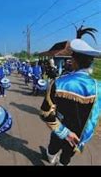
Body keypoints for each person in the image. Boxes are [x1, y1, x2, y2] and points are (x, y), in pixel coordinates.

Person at [40, 26, 101, 166]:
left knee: (52, 150)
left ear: (73, 61)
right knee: (66, 158)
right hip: (78, 137)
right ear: (91, 62)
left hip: (59, 131)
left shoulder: (59, 83)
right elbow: (94, 118)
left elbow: (45, 113)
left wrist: (65, 132)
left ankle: (50, 159)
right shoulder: (98, 87)